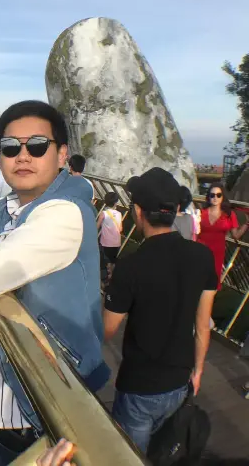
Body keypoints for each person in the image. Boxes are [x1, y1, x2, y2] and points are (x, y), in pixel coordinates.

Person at [0, 100, 108, 466]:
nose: (23, 156)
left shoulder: (64, 214)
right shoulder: (4, 209)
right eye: (11, 147)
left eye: (37, 146)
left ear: (61, 155)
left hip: (32, 415)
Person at [103, 168, 218, 454]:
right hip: (181, 381)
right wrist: (198, 371)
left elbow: (107, 329)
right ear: (176, 209)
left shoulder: (130, 266)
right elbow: (203, 326)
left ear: (139, 211)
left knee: (129, 456)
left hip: (139, 387)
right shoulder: (202, 256)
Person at [197, 184, 248, 288]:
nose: (215, 198)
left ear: (222, 197)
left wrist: (247, 224)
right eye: (212, 195)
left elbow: (236, 236)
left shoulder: (229, 215)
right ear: (208, 197)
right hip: (200, 251)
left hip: (217, 253)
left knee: (212, 283)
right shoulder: (201, 213)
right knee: (198, 281)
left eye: (218, 195)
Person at [97, 191, 122, 272]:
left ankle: (105, 277)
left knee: (105, 261)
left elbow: (96, 226)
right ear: (116, 202)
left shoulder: (103, 213)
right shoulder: (119, 214)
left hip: (105, 243)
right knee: (113, 261)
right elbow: (121, 229)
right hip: (116, 243)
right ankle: (112, 277)